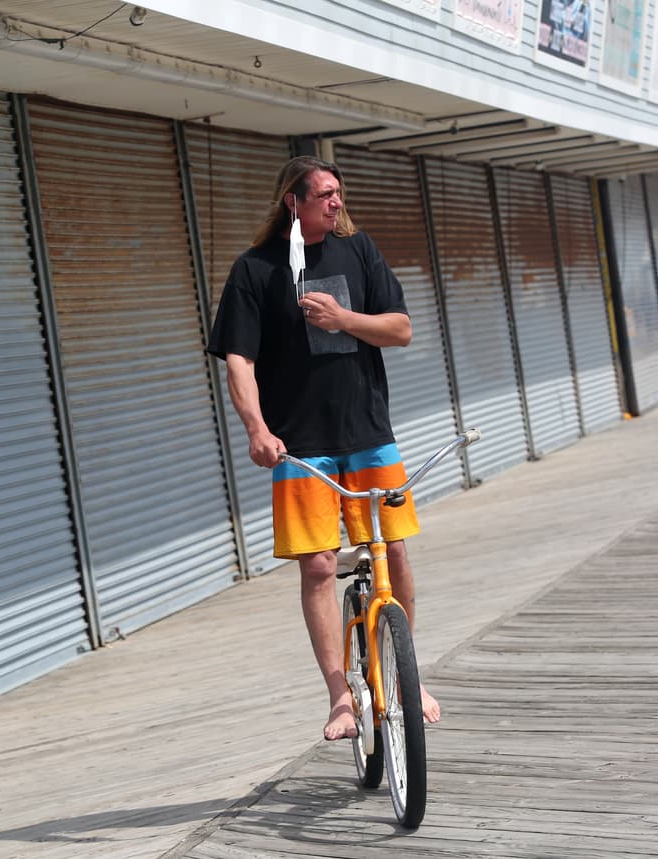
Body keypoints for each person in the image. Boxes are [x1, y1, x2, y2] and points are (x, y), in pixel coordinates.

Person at [206, 155, 440, 741]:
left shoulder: (358, 251)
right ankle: (340, 695)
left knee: (394, 550)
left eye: (338, 193)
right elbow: (239, 360)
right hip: (302, 446)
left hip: (369, 434)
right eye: (324, 195)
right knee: (316, 566)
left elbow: (401, 329)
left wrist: (343, 318)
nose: (337, 203)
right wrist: (257, 429)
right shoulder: (255, 270)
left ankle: (404, 674)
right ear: (294, 201)